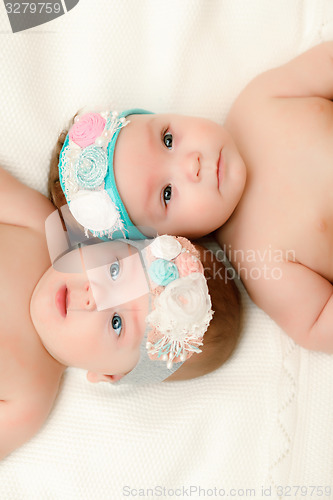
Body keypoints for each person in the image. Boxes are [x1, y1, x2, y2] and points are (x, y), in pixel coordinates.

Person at [49, 41, 333, 353]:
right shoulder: (261, 264)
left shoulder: (260, 100)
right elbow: (319, 322)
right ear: (170, 239)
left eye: (167, 139)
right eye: (167, 194)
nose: (191, 163)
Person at [0, 166, 241, 460]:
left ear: (108, 374)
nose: (94, 296)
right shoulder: (39, 225)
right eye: (114, 270)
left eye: (117, 323)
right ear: (105, 241)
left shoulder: (27, 404)